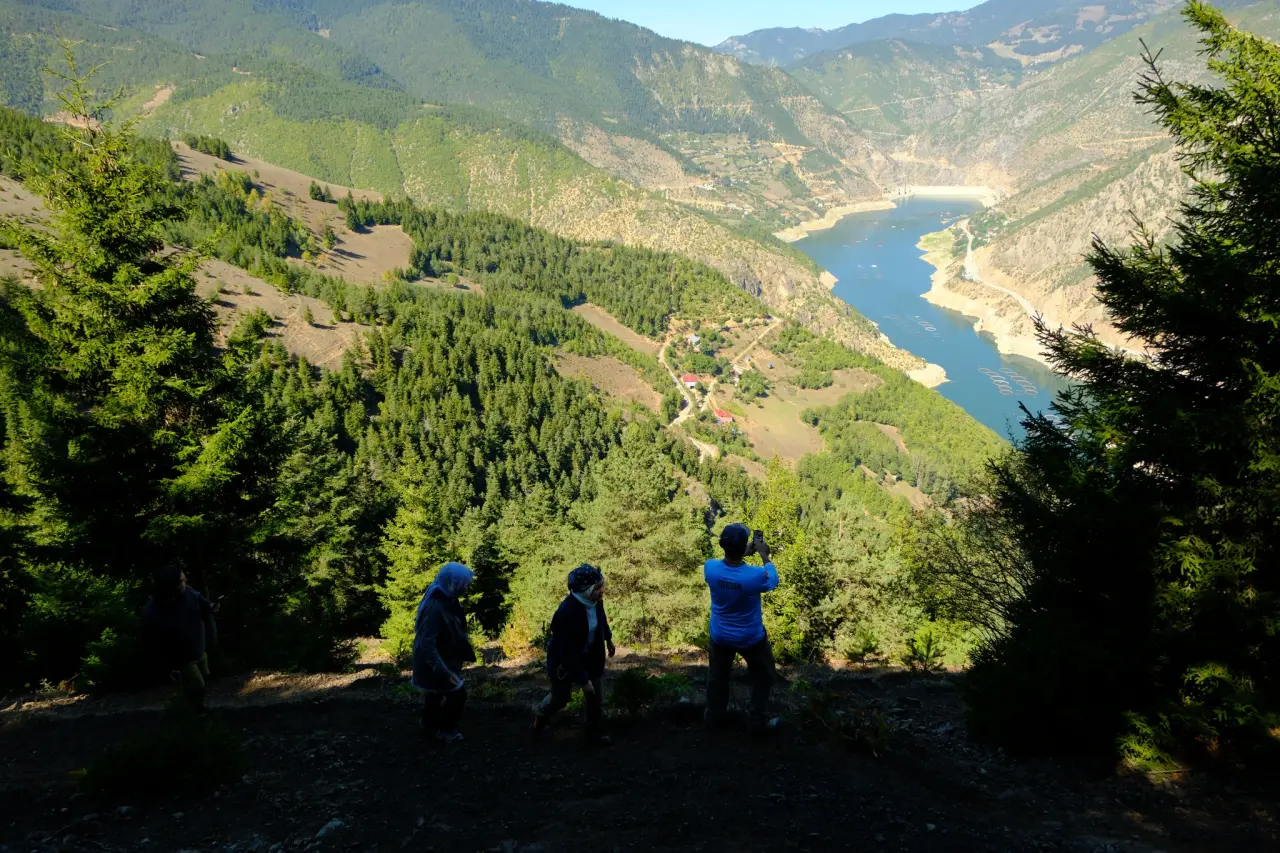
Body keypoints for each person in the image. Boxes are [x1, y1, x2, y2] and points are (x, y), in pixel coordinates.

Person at [703, 523, 780, 731]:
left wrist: (742, 553)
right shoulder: (755, 576)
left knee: (717, 678)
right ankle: (757, 721)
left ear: (722, 545)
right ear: (744, 545)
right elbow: (773, 580)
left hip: (721, 636)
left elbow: (729, 569)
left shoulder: (710, 568)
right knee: (763, 677)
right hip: (750, 637)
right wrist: (764, 555)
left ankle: (714, 718)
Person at [532, 564, 615, 745]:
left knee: (596, 697)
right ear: (585, 590)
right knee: (560, 698)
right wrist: (583, 681)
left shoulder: (595, 601)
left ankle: (592, 735)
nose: (603, 590)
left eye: (602, 585)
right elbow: (567, 653)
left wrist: (608, 638)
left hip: (590, 655)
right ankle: (541, 713)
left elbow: (601, 619)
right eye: (598, 587)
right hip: (564, 660)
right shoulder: (566, 613)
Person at [412, 562, 476, 744]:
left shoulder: (444, 596)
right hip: (435, 663)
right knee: (458, 694)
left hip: (442, 659)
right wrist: (442, 671)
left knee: (435, 693)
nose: (467, 587)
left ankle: (428, 722)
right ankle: (446, 730)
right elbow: (426, 644)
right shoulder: (435, 608)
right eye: (464, 584)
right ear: (453, 584)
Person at [140, 565, 220, 708]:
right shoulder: (152, 613)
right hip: (182, 660)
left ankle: (195, 709)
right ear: (172, 587)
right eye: (182, 580)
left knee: (204, 678)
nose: (186, 581)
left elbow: (202, 603)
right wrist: (167, 667)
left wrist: (211, 607)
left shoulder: (189, 593)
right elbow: (153, 644)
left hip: (199, 650)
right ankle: (186, 711)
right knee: (197, 685)